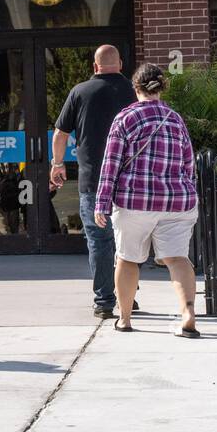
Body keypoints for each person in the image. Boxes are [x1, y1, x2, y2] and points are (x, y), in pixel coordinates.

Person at [94, 63, 200, 337]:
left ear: (135, 87)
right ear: (161, 87)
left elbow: (111, 165)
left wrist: (102, 203)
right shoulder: (175, 119)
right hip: (177, 200)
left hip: (134, 201)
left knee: (127, 259)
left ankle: (125, 319)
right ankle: (188, 313)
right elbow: (189, 165)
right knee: (178, 259)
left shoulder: (126, 118)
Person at [50, 44, 138, 318]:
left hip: (93, 181)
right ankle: (128, 298)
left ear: (95, 66)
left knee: (99, 241)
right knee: (129, 241)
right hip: (131, 180)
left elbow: (60, 133)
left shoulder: (80, 92)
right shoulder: (134, 92)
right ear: (120, 64)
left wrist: (57, 164)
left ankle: (104, 302)